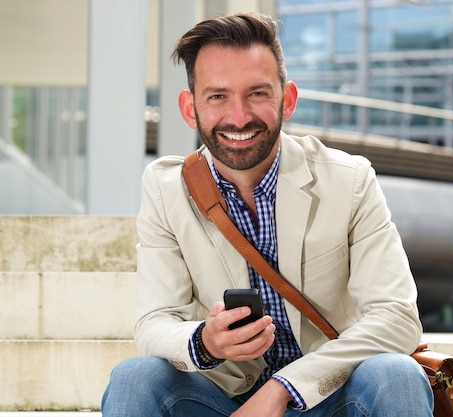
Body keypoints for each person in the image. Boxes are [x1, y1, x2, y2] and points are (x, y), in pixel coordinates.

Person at [102, 12, 433, 417]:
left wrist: (284, 388)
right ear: (190, 109)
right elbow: (154, 322)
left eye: (257, 94)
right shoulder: (166, 188)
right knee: (134, 378)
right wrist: (205, 343)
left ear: (287, 99)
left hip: (328, 396)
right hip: (221, 399)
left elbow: (397, 317)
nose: (239, 117)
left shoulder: (351, 180)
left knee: (396, 375)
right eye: (217, 96)